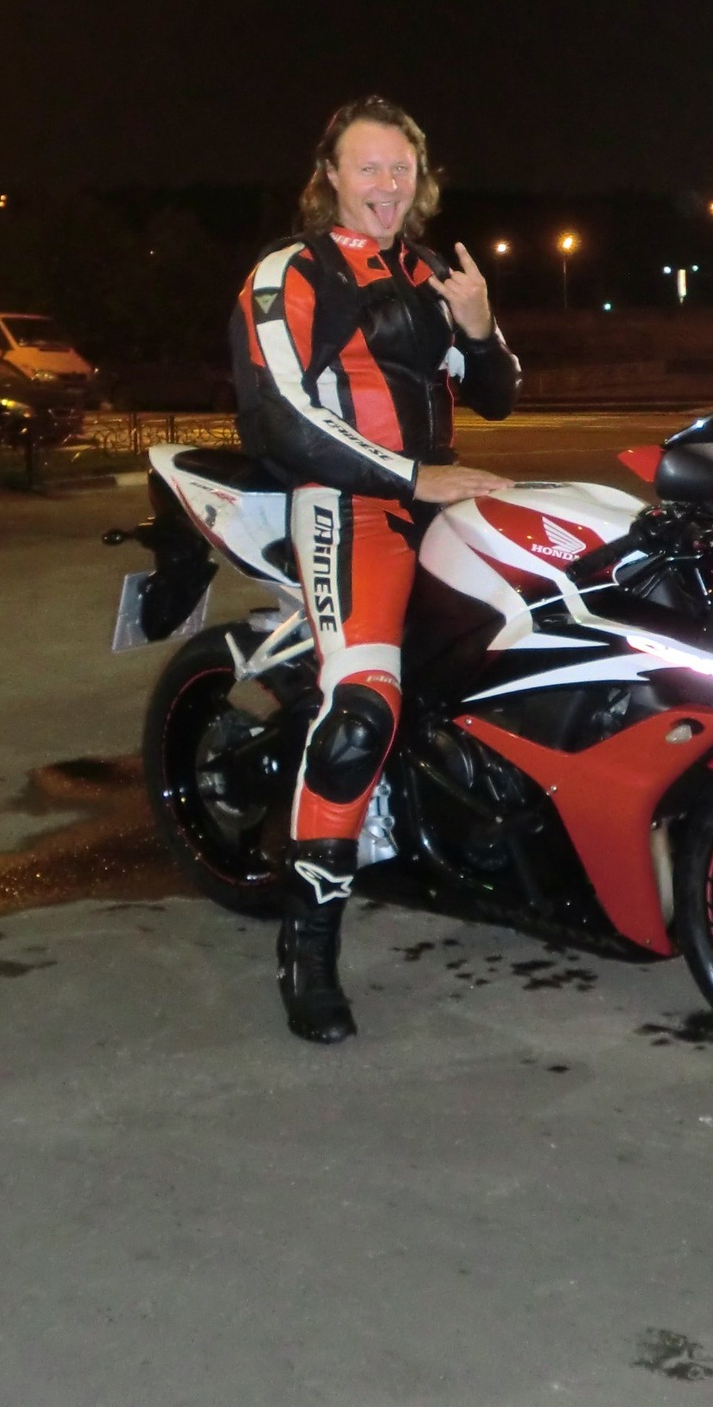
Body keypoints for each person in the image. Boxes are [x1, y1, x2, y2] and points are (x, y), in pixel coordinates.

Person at [231, 96, 519, 1042]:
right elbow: (277, 416)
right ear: (330, 176)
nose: (388, 185)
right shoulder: (290, 272)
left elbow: (498, 398)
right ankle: (307, 950)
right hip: (345, 504)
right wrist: (410, 476)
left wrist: (478, 327)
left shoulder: (434, 271)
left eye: (402, 168)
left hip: (438, 496)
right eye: (369, 167)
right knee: (361, 710)